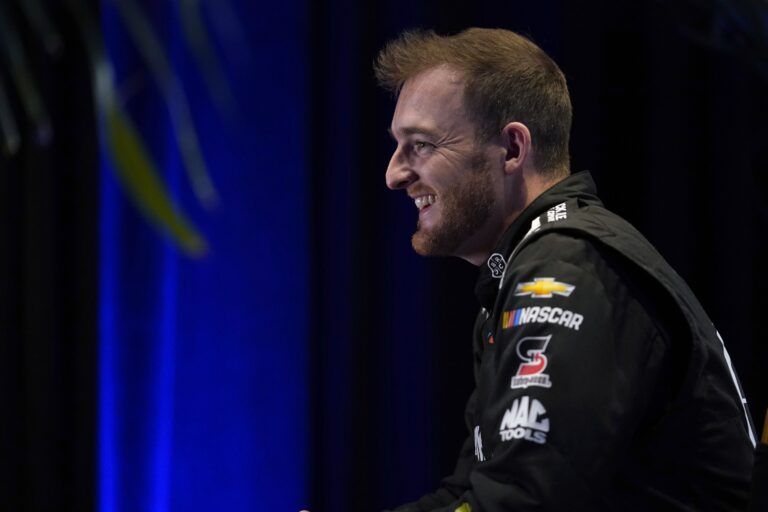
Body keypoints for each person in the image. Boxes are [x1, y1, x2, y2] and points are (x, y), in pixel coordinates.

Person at [375, 28, 756, 511]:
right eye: (397, 146)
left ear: (512, 150)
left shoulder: (563, 270)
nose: (394, 174)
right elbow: (471, 495)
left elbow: (520, 503)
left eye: (422, 144)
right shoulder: (531, 266)